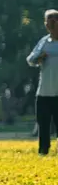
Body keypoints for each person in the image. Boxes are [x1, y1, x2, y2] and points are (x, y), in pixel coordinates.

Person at [27, 9, 58, 155]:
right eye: (48, 22)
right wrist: (40, 57)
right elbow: (31, 60)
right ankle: (43, 151)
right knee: (43, 124)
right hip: (44, 92)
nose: (50, 25)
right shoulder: (44, 42)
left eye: (54, 21)